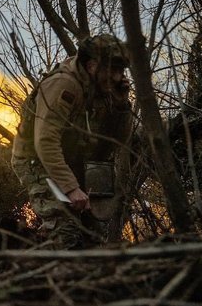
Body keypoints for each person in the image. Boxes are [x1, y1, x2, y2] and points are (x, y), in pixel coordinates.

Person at [11, 34, 133, 249]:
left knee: (94, 236)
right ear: (92, 65)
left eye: (121, 71)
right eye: (112, 70)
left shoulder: (104, 89)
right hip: (38, 162)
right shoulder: (63, 85)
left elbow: (116, 141)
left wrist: (122, 106)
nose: (117, 77)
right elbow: (45, 142)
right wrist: (70, 188)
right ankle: (35, 276)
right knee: (64, 232)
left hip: (74, 163)